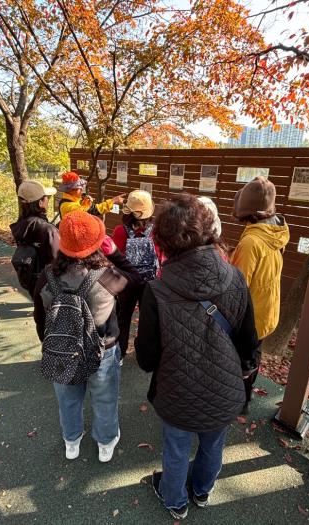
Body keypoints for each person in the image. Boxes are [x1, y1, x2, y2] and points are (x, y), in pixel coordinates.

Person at [135, 194, 259, 520]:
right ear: (209, 230)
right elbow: (249, 343)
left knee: (176, 451)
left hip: (177, 393)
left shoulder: (156, 291)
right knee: (212, 445)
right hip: (224, 389)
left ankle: (175, 501)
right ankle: (202, 491)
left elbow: (147, 359)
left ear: (161, 239)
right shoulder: (236, 278)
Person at [33, 211, 128, 463]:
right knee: (104, 398)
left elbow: (39, 317)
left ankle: (71, 440)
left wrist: (50, 343)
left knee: (68, 398)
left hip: (62, 348)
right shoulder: (109, 275)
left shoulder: (46, 276)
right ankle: (106, 442)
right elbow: (133, 286)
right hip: (102, 347)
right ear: (98, 242)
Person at [230, 176, 289, 413]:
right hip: (267, 312)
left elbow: (238, 287)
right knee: (254, 356)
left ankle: (239, 403)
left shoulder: (251, 242)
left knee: (243, 361)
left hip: (249, 318)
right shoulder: (276, 232)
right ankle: (246, 397)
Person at [111, 190, 160, 360]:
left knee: (123, 318)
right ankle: (144, 354)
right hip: (149, 283)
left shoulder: (119, 231)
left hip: (126, 281)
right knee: (147, 319)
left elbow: (115, 258)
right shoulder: (156, 231)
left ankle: (120, 353)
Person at [10, 180, 60, 297]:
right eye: (46, 197)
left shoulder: (21, 225)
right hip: (50, 284)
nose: (48, 200)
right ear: (40, 203)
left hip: (33, 280)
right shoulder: (47, 229)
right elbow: (57, 259)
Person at [58, 171, 125, 218]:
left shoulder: (72, 201)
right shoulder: (67, 206)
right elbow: (93, 210)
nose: (82, 190)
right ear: (71, 190)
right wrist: (113, 201)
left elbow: (82, 209)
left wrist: (85, 203)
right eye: (79, 188)